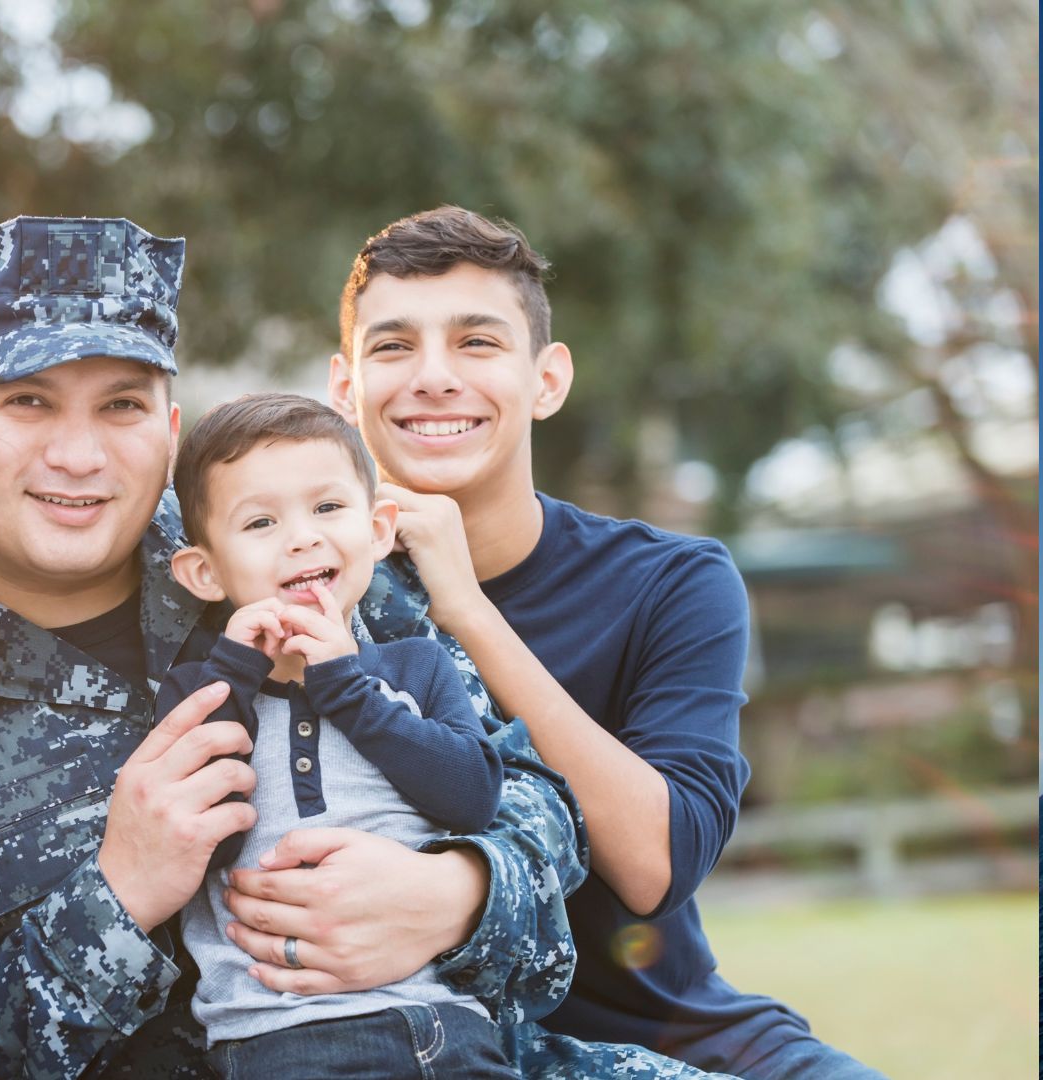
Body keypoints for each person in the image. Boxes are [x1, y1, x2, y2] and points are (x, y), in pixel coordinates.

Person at [0, 215, 713, 1079]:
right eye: (26, 400)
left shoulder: (281, 547)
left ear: (169, 428)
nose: (77, 454)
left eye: (122, 405)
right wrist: (120, 897)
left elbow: (539, 811)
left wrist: (458, 895)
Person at [331, 205, 882, 1078]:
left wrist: (469, 608)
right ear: (344, 388)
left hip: (665, 1037)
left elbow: (655, 866)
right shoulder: (298, 588)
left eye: (477, 342)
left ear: (547, 380)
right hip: (413, 1046)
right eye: (393, 347)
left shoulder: (674, 583)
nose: (432, 377)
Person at [154, 393, 514, 1079]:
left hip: (448, 1026)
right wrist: (237, 672)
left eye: (327, 509)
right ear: (205, 572)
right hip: (282, 1038)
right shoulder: (197, 691)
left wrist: (347, 687)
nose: (302, 537)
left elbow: (473, 797)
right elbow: (205, 847)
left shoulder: (417, 666)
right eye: (260, 521)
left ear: (378, 530)